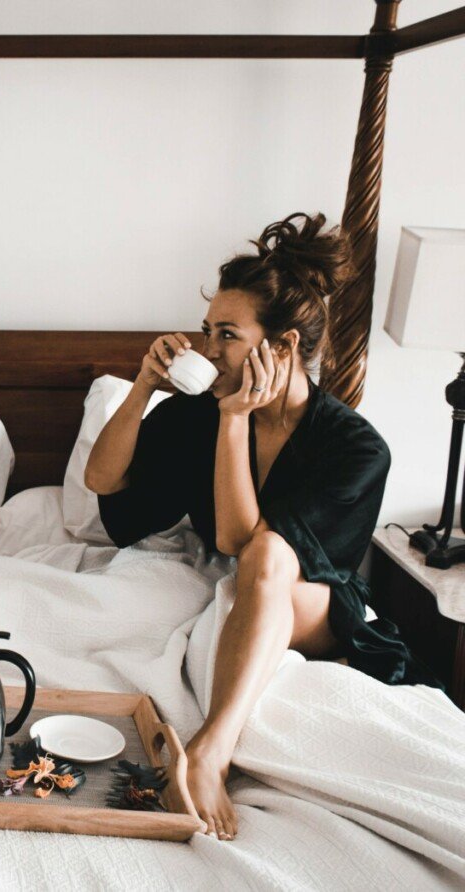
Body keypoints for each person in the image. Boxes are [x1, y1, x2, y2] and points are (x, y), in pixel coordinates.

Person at [85, 212, 435, 841]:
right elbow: (102, 482)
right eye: (206, 330)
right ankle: (214, 749)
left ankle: (213, 747)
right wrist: (142, 387)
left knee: (271, 554)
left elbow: (242, 545)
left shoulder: (355, 449)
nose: (206, 349)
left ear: (283, 347)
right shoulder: (199, 412)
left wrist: (234, 419)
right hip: (250, 580)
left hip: (318, 608)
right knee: (262, 558)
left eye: (226, 334)